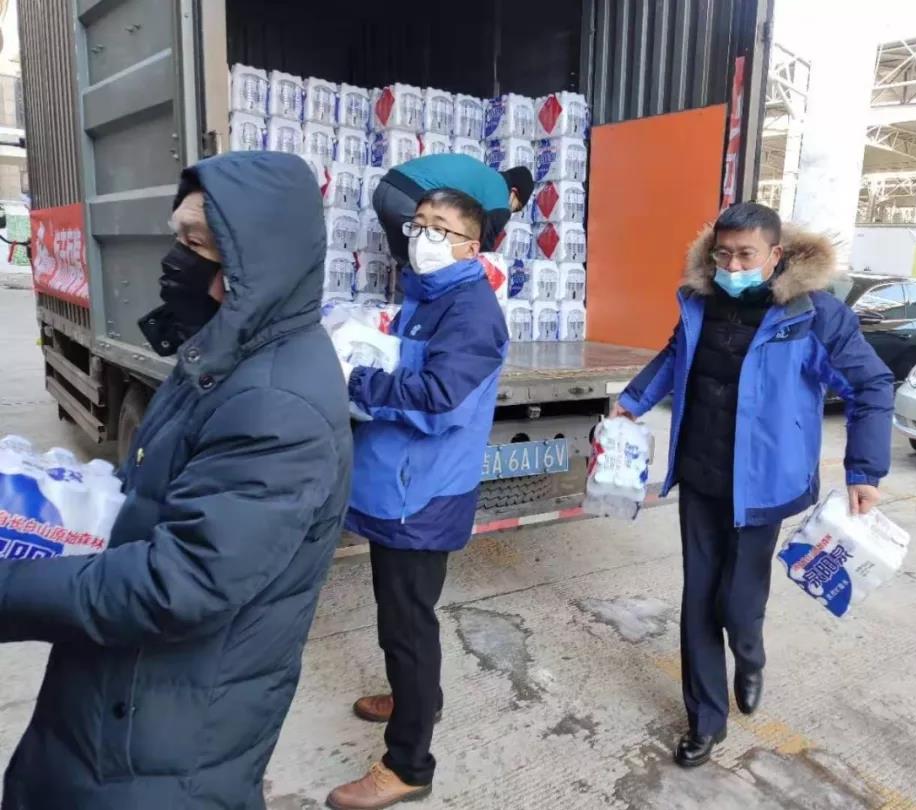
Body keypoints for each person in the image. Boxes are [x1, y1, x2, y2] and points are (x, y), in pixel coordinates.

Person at [0, 151, 352, 809]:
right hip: (126, 693)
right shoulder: (221, 355)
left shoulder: (277, 404)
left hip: (161, 743)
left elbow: (179, 584)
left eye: (196, 244)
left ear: (257, 262)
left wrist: (8, 588)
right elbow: (155, 493)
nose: (173, 260)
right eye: (177, 236)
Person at [612, 202, 893, 768]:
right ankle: (706, 720)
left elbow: (871, 385)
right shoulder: (699, 301)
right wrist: (633, 401)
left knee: (738, 603)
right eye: (723, 254)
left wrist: (864, 471)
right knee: (698, 599)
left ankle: (750, 653)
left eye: (745, 255)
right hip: (700, 474)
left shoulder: (814, 314)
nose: (732, 266)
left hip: (764, 482)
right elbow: (674, 355)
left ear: (775, 254)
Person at [327, 189, 509, 810]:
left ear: (470, 247)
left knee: (407, 623)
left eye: (441, 228)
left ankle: (408, 764)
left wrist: (355, 379)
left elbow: (439, 397)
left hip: (421, 493)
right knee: (399, 613)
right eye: (420, 224)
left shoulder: (471, 312)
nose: (424, 237)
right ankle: (418, 700)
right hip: (400, 483)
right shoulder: (430, 295)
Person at [373, 153, 534, 265]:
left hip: (384, 187)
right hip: (410, 199)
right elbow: (481, 251)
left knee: (409, 265)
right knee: (438, 260)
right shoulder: (500, 196)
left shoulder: (482, 175)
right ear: (514, 193)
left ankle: (404, 305)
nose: (511, 211)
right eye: (516, 207)